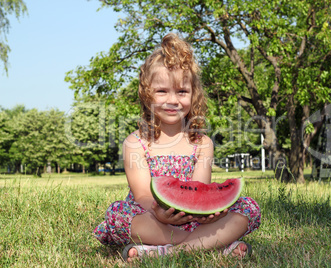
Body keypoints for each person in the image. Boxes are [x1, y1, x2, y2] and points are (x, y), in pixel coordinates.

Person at [93, 33, 261, 262]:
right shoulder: (135, 142)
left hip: (195, 220)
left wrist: (208, 215)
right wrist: (159, 213)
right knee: (118, 214)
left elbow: (199, 191)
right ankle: (213, 245)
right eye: (162, 91)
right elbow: (142, 195)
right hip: (152, 216)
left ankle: (164, 252)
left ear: (194, 95)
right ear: (146, 93)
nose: (173, 100)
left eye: (182, 92)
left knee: (247, 208)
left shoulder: (202, 143)